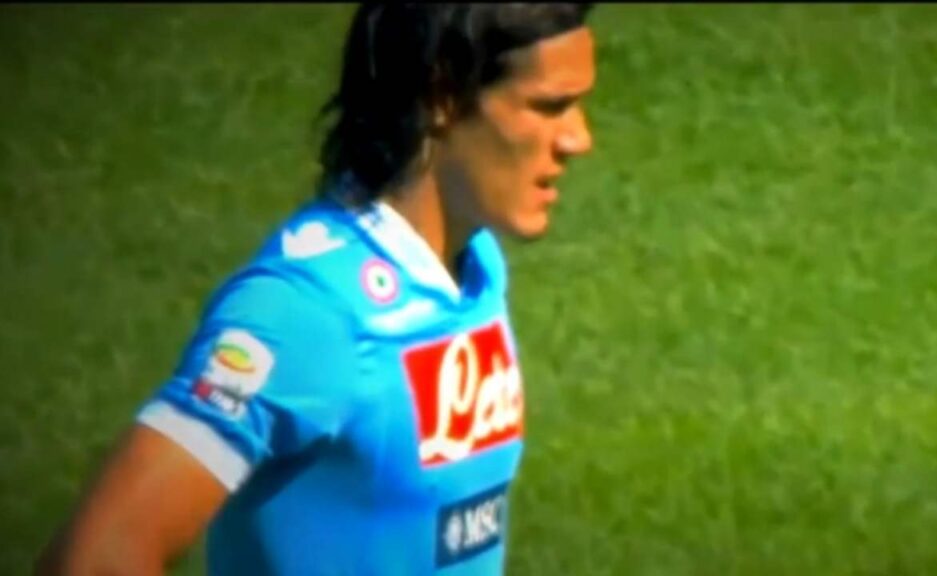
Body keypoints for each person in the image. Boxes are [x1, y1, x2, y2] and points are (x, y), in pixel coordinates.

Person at [35, 3, 596, 575]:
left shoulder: (475, 265)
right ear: (443, 96)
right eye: (550, 106)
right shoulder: (308, 310)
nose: (579, 138)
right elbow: (95, 557)